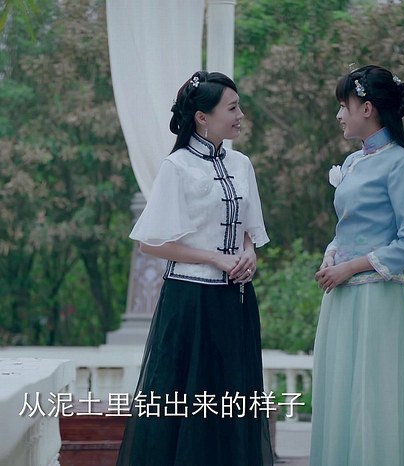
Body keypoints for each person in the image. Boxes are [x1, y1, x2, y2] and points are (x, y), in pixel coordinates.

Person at [116, 71, 274, 466]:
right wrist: (216, 258)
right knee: (186, 403)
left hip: (236, 300)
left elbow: (249, 230)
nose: (240, 115)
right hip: (190, 301)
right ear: (202, 117)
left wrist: (249, 253)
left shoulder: (241, 164)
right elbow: (150, 243)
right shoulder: (177, 166)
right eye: (232, 108)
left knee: (232, 399)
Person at [310, 65, 404, 466]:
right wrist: (332, 256)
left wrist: (351, 267)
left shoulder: (399, 163)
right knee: (339, 391)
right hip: (341, 295)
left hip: (377, 298)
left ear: (368, 108)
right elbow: (348, 228)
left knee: (371, 395)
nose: (339, 114)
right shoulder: (354, 162)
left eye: (345, 105)